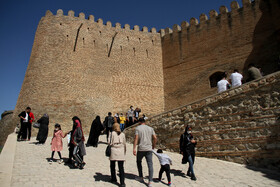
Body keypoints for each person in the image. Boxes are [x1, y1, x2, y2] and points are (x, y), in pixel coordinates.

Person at [133, 117, 157, 187]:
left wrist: (134, 148)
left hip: (141, 148)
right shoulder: (150, 128)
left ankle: (141, 176)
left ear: (139, 122)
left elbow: (136, 138)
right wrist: (153, 146)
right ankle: (150, 181)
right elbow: (155, 138)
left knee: (138, 161)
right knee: (150, 164)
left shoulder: (138, 128)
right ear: (144, 122)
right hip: (149, 148)